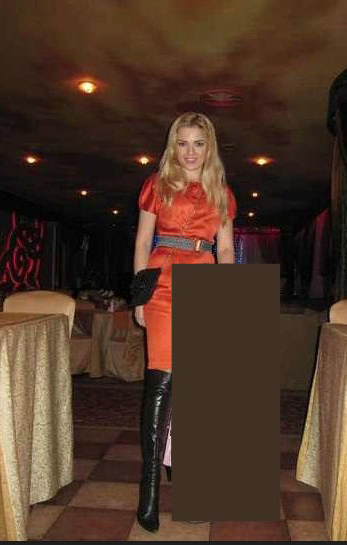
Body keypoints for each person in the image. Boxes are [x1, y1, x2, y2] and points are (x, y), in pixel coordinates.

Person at [132, 112, 237, 532]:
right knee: (161, 378)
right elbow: (143, 241)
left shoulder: (222, 193)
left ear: (209, 148)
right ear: (173, 146)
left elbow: (225, 249)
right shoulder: (156, 185)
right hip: (161, 282)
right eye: (183, 143)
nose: (190, 152)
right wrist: (139, 296)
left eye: (198, 143)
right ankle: (149, 487)